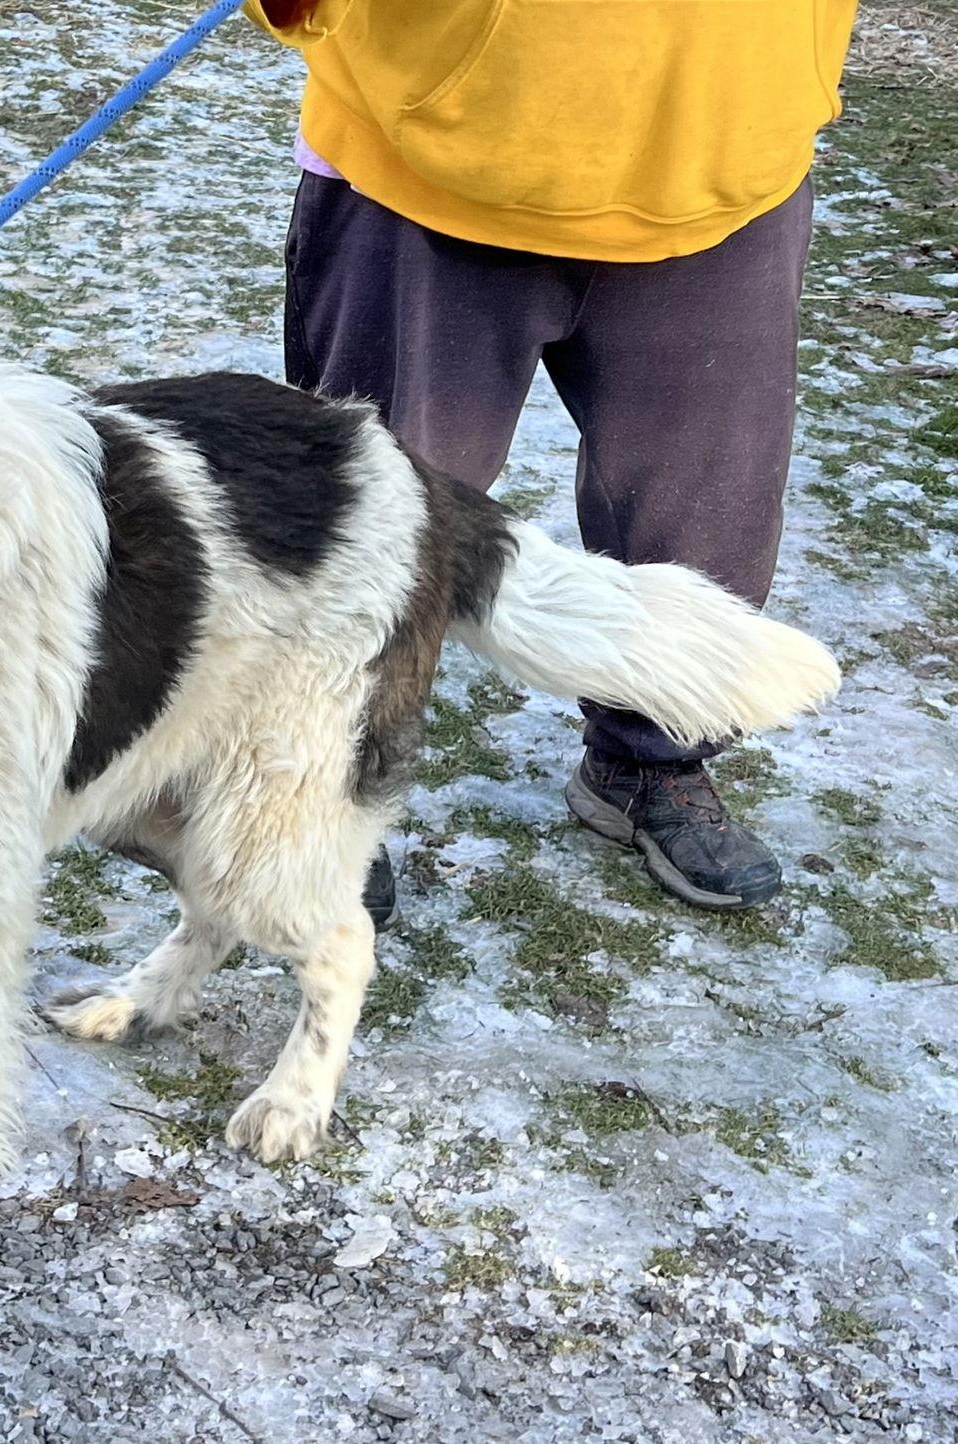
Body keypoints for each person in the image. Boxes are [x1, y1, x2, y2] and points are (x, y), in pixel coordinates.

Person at [246, 0, 859, 920]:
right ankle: (316, 788)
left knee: (705, 524)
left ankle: (649, 760)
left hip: (729, 160)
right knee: (365, 528)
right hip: (422, 164)